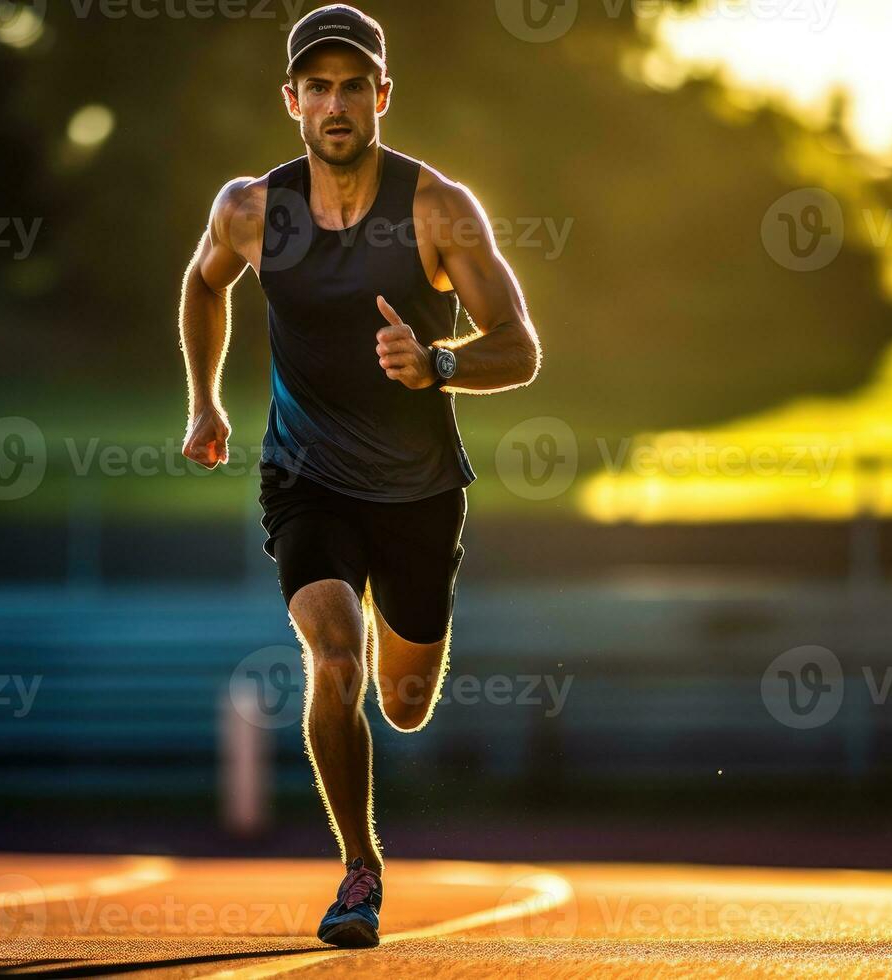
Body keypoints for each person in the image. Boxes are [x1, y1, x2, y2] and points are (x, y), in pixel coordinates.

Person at [177, 3, 542, 948]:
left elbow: (521, 347)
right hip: (305, 477)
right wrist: (205, 404)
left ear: (382, 96)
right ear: (292, 99)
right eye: (319, 86)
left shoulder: (439, 208)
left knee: (405, 705)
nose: (336, 104)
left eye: (353, 86)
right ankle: (360, 871)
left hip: (419, 489)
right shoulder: (251, 209)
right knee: (334, 659)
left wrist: (440, 363)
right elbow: (202, 282)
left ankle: (397, 655)